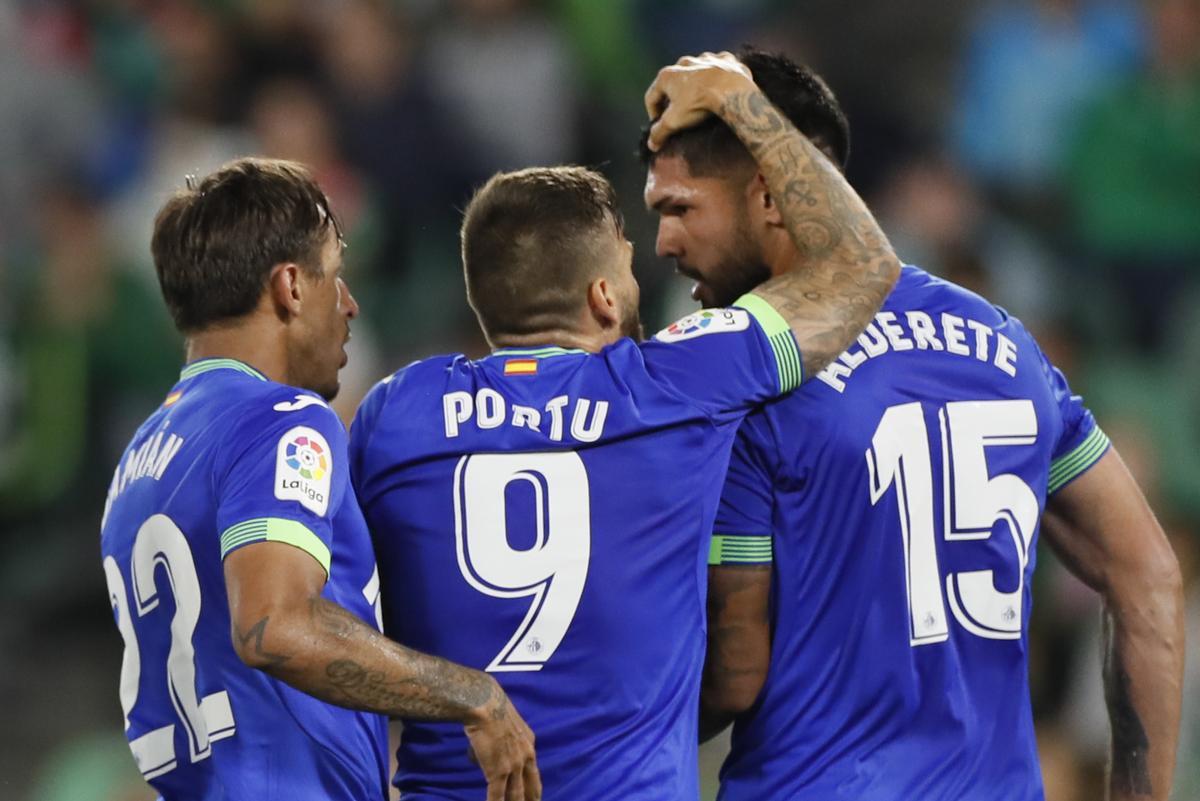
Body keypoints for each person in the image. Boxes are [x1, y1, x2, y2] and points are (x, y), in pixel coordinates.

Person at [348, 52, 901, 800]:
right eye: (634, 266)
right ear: (605, 296)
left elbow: (323, 617)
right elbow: (860, 262)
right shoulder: (675, 386)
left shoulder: (393, 415)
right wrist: (742, 102)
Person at [640, 49, 1186, 800]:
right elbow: (1149, 575)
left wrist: (608, 717)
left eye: (679, 210)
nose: (664, 244)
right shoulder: (1005, 345)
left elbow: (736, 672)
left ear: (772, 196)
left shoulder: (750, 382)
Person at [98, 158, 539, 801]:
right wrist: (475, 695)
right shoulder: (282, 418)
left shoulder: (141, 457)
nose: (351, 303)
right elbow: (273, 626)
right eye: (334, 274)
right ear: (291, 287)